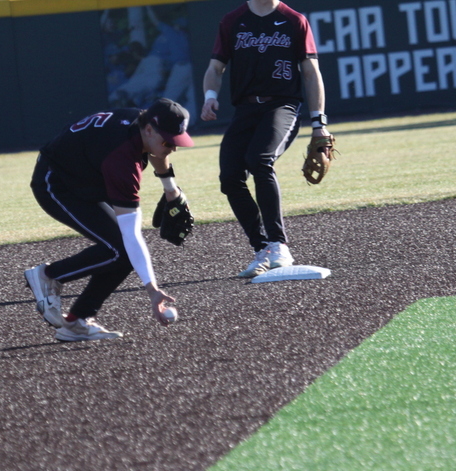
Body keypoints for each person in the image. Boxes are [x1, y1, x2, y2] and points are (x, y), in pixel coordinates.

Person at [24, 98, 194, 342]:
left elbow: (157, 150)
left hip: (85, 175)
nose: (173, 148)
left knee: (122, 253)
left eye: (176, 141)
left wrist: (171, 189)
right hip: (56, 184)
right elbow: (132, 234)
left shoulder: (143, 123)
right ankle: (50, 275)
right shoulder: (123, 160)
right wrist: (152, 289)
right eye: (169, 141)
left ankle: (76, 322)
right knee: (121, 249)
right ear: (148, 129)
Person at [201, 0, 331, 278]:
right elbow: (215, 68)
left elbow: (310, 72)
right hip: (245, 109)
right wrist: (210, 97)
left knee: (259, 160)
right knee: (230, 177)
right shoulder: (232, 21)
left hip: (282, 105)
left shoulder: (294, 20)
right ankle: (262, 249)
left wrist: (319, 124)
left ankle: (279, 244)